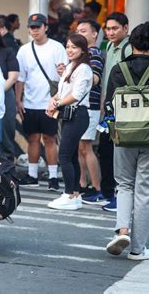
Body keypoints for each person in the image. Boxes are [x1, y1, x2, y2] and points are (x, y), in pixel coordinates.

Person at [104, 22, 149, 261]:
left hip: (123, 137)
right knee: (146, 190)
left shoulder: (118, 70)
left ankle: (122, 230)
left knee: (124, 184)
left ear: (131, 44)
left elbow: (109, 106)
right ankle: (138, 249)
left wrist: (113, 131)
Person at [15, 13, 68, 190]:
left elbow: (65, 74)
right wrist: (18, 100)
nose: (35, 30)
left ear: (46, 27)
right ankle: (32, 175)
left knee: (50, 139)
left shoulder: (57, 47)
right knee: (32, 139)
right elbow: (20, 78)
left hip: (50, 102)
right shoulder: (24, 50)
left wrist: (59, 99)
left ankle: (53, 176)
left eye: (38, 27)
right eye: (32, 27)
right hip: (30, 102)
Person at [46, 34, 92, 210]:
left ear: (82, 49)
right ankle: (75, 195)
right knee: (71, 156)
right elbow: (62, 91)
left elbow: (76, 95)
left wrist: (56, 103)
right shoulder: (71, 66)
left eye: (74, 47)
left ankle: (68, 194)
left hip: (78, 115)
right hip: (69, 115)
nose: (70, 50)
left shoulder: (84, 69)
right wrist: (52, 100)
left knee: (64, 155)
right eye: (68, 46)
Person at [99, 12, 131, 212]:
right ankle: (108, 192)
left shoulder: (128, 48)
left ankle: (119, 196)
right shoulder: (110, 46)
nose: (110, 32)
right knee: (105, 150)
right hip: (108, 106)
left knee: (119, 154)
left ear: (125, 28)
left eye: (115, 28)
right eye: (108, 29)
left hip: (121, 109)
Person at [75, 19, 104, 203]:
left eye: (84, 31)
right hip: (81, 105)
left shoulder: (94, 53)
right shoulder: (83, 54)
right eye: (78, 30)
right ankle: (83, 185)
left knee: (87, 147)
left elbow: (95, 79)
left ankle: (97, 188)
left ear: (94, 34)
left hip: (90, 105)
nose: (80, 33)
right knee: (80, 148)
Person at [0, 16, 20, 160]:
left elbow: (13, 77)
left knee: (6, 135)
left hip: (5, 94)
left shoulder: (8, 50)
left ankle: (8, 175)